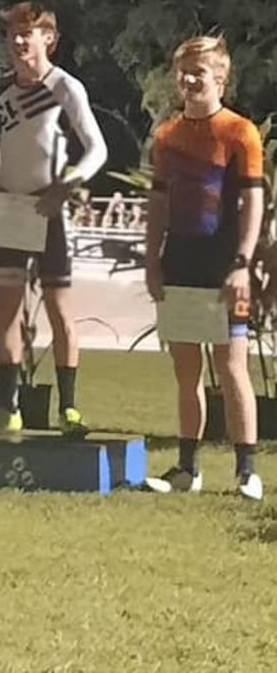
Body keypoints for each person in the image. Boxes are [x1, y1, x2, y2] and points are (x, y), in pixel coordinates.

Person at [0, 2, 108, 435]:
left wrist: (66, 185)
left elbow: (96, 148)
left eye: (28, 32)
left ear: (49, 38)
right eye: (13, 32)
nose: (19, 40)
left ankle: (68, 408)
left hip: (49, 211)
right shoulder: (0, 92)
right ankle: (5, 407)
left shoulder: (66, 88)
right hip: (8, 208)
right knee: (5, 311)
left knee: (58, 309)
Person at [144, 35, 264, 500]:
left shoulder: (240, 132)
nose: (190, 80)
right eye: (184, 71)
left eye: (200, 71)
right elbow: (159, 203)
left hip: (224, 260)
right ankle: (187, 469)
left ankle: (246, 470)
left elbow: (252, 199)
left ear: (221, 77)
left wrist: (242, 262)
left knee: (233, 365)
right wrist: (152, 259)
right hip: (180, 259)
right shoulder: (167, 136)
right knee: (185, 368)